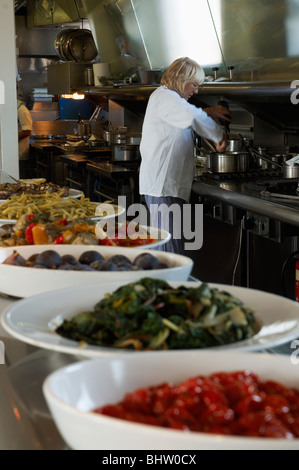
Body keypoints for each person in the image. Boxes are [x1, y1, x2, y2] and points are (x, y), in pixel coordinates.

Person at [139, 57, 232, 255]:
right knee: (169, 253)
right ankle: (170, 285)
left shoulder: (167, 98)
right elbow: (191, 116)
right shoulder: (165, 97)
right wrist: (219, 136)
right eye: (194, 85)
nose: (196, 91)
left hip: (165, 187)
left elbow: (185, 116)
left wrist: (208, 112)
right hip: (163, 188)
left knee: (168, 248)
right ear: (181, 79)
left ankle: (169, 283)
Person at [17, 99, 33, 178]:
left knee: (19, 181)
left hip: (20, 154)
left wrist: (10, 139)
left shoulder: (21, 109)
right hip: (7, 154)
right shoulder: (8, 108)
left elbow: (27, 131)